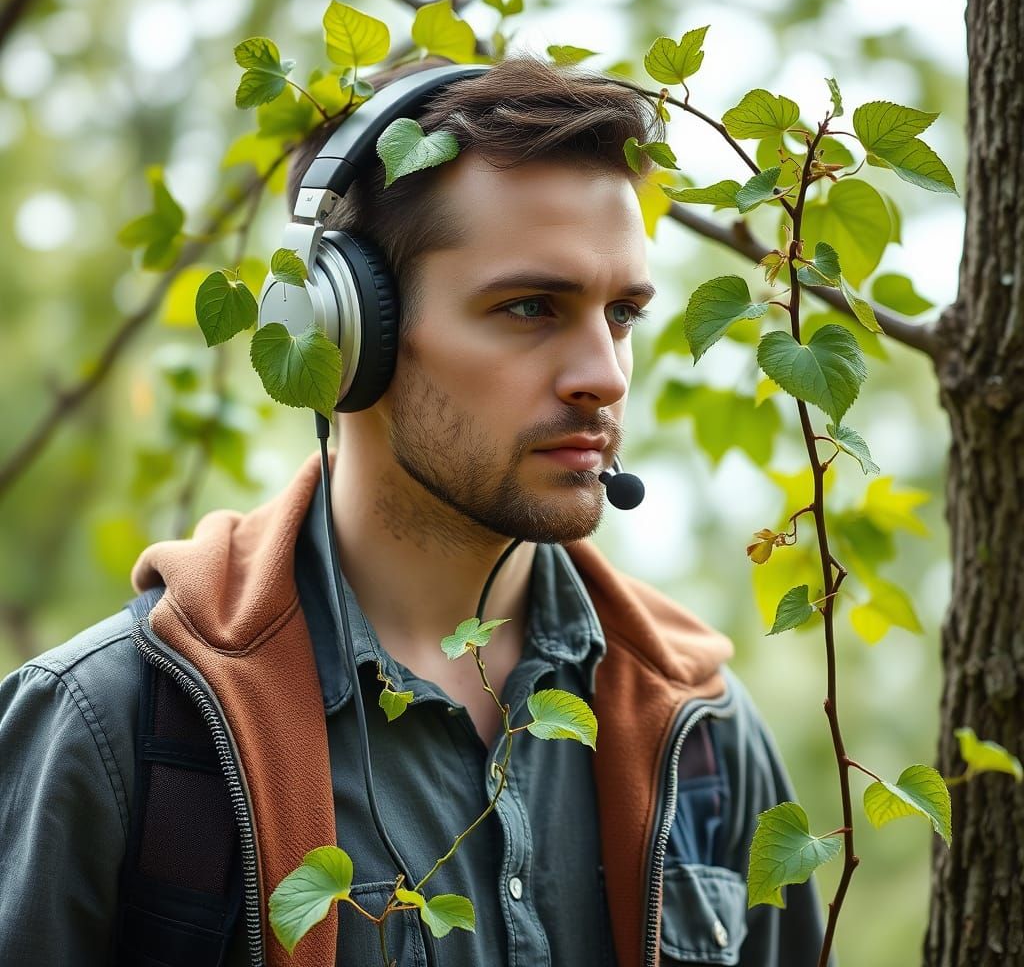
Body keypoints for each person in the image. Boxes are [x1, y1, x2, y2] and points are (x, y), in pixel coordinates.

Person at [0, 54, 826, 966]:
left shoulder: (703, 730)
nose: (603, 375)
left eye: (621, 313)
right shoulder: (112, 726)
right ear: (348, 332)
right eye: (529, 308)